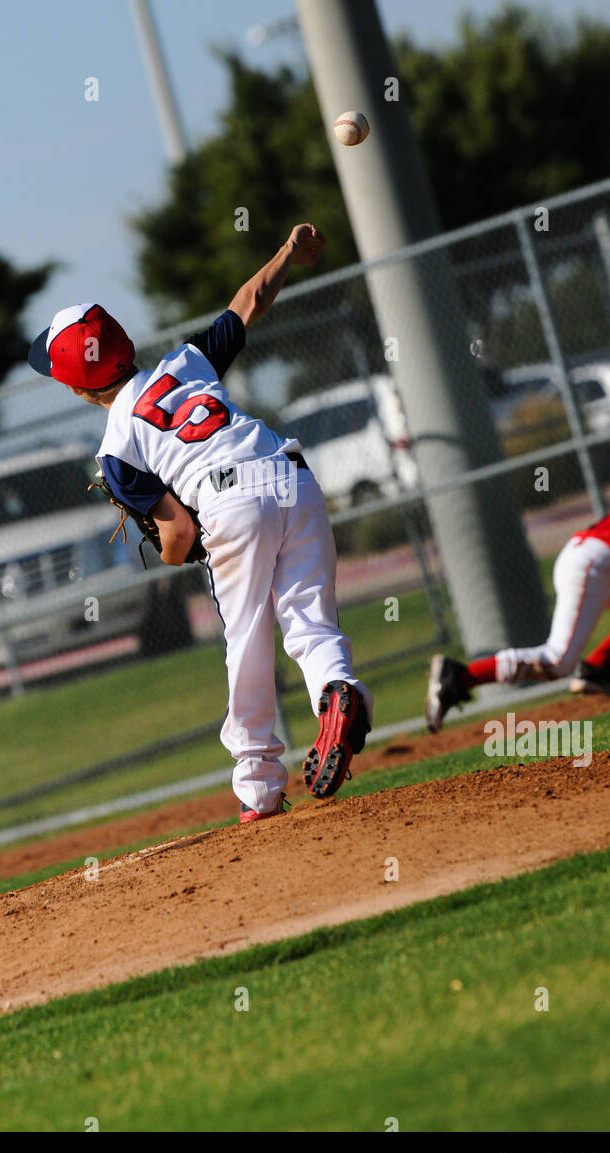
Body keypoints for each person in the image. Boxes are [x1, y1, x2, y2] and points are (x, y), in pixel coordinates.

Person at [29, 223, 373, 820]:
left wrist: (173, 553)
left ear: (74, 389)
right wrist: (289, 251)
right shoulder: (184, 363)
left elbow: (179, 534)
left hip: (230, 503)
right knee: (309, 623)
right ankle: (339, 693)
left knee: (247, 638)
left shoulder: (115, 447)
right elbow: (249, 302)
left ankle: (260, 789)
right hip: (291, 475)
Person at [425, 437, 610, 733]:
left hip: (603, 565)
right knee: (556, 661)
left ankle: (598, 669)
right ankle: (460, 676)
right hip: (593, 565)